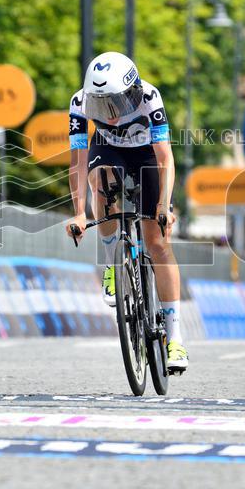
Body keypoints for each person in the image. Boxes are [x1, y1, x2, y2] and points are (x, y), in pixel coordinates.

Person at [65, 52, 186, 372]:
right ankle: (112, 265)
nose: (110, 114)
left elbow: (165, 158)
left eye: (115, 103)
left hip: (147, 155)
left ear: (132, 92)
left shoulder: (149, 98)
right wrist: (79, 213)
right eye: (101, 105)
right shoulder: (79, 102)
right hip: (109, 150)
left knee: (157, 243)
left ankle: (175, 338)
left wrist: (163, 206)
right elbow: (77, 163)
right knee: (99, 180)